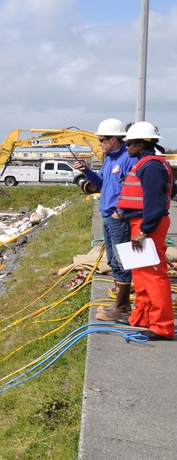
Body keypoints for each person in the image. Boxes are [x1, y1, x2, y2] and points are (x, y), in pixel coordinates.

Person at [115, 121, 174, 340]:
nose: (126, 147)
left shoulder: (150, 167)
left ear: (141, 145)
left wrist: (145, 231)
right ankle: (142, 318)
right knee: (141, 275)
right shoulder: (148, 164)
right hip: (140, 223)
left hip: (148, 224)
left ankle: (161, 326)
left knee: (153, 276)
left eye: (129, 143)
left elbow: (155, 202)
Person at [74, 118, 137, 320]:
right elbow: (102, 184)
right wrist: (87, 172)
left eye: (102, 140)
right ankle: (120, 305)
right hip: (108, 216)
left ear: (115, 139)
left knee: (122, 261)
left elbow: (133, 188)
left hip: (118, 218)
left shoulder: (128, 158)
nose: (99, 144)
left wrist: (120, 210)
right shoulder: (109, 158)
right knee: (112, 260)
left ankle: (122, 308)